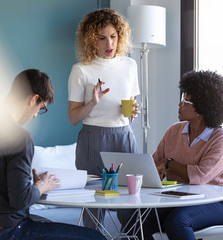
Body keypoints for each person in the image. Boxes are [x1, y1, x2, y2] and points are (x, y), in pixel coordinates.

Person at [0, 69, 106, 240]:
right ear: (33, 99)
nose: (35, 115)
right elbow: (20, 201)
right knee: (96, 238)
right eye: (41, 108)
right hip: (7, 231)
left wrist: (29, 184)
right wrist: (43, 186)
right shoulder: (19, 137)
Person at [118, 70, 223, 240]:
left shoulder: (221, 139)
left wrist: (168, 164)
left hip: (216, 202)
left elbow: (200, 176)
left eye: (186, 101)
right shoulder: (174, 131)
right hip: (178, 198)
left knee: (177, 222)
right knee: (133, 219)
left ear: (202, 108)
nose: (180, 104)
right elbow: (153, 162)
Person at [68, 8, 141, 229]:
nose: (109, 44)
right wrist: (93, 103)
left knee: (131, 203)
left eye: (113, 36)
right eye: (101, 38)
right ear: (91, 40)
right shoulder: (81, 70)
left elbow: (129, 112)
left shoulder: (129, 65)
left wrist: (132, 113)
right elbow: (72, 118)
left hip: (124, 137)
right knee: (94, 206)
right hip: (93, 138)